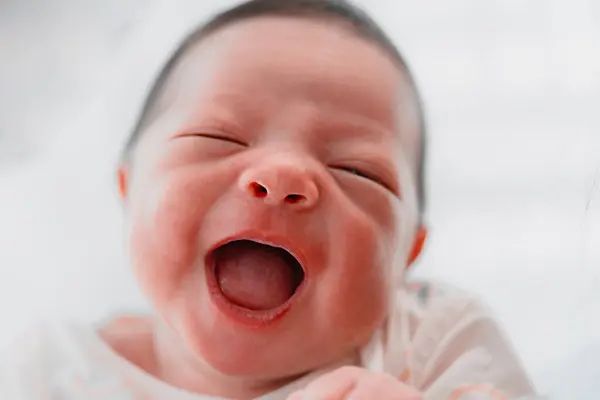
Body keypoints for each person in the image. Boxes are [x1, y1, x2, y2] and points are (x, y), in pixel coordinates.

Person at [1, 1, 539, 399]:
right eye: (219, 138)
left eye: (358, 171)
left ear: (408, 255)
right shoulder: (48, 374)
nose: (282, 175)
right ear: (128, 188)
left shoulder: (429, 341)